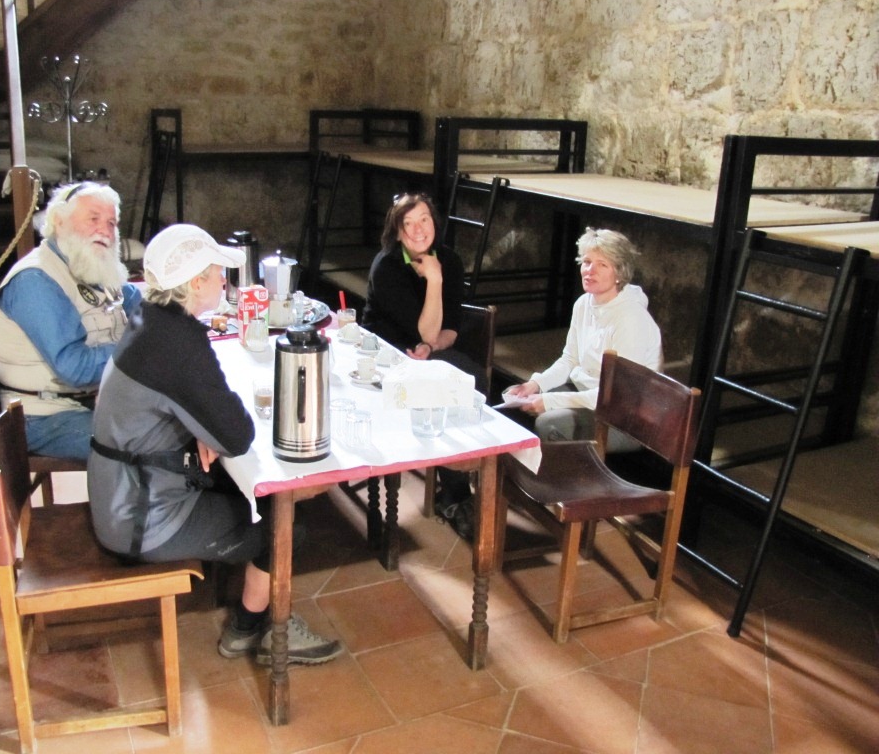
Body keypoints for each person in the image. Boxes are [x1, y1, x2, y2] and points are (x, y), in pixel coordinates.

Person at [87, 223, 343, 666]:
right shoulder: (178, 343)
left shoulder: (152, 321)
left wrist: (200, 428)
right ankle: (250, 630)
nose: (224, 279)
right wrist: (209, 428)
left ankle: (250, 615)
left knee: (243, 488)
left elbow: (194, 412)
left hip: (120, 490)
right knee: (283, 527)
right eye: (217, 272)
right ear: (194, 283)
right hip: (140, 518)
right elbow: (237, 435)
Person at [362, 192, 485, 539]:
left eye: (424, 220)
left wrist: (431, 347)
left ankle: (463, 476)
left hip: (426, 353)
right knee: (437, 391)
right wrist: (434, 279)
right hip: (387, 355)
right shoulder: (387, 266)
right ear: (397, 231)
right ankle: (456, 496)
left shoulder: (449, 260)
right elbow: (423, 330)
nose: (418, 230)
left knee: (473, 379)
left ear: (435, 223)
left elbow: (449, 329)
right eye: (408, 223)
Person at [0, 182, 141, 460]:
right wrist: (142, 349)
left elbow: (139, 304)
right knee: (153, 443)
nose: (105, 231)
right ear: (59, 222)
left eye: (111, 223)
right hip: (45, 417)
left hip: (91, 401)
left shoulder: (89, 265)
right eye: (93, 219)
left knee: (183, 424)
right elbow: (75, 367)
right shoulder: (35, 279)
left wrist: (180, 310)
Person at [503, 227, 663, 452]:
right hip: (588, 395)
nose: (590, 270)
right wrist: (535, 384)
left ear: (620, 272)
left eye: (602, 264)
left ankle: (568, 474)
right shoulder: (583, 303)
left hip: (623, 416)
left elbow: (618, 395)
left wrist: (550, 401)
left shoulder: (630, 319)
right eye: (587, 262)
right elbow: (570, 359)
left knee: (548, 422)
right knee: (519, 402)